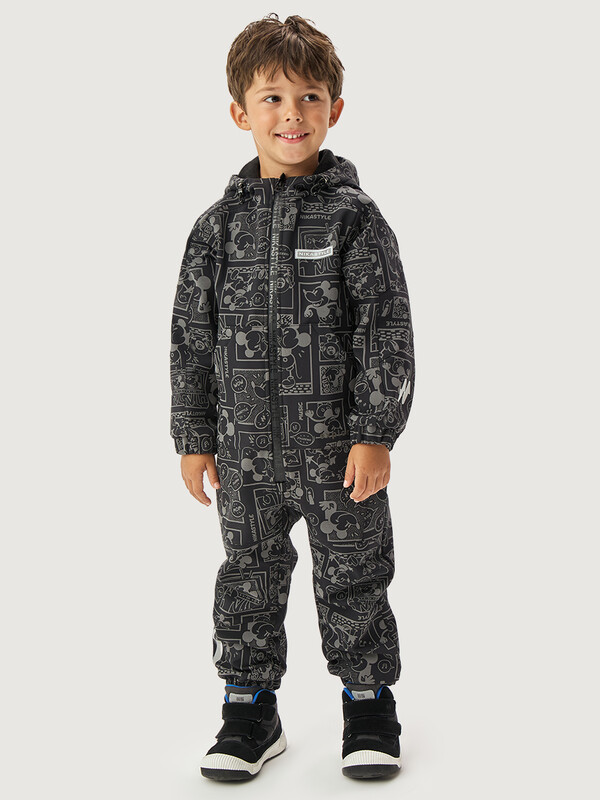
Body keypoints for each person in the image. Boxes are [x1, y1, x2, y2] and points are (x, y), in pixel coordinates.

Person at [169, 13, 415, 781]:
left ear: (334, 109)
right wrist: (193, 437)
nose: (292, 114)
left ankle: (368, 704)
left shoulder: (355, 219)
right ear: (239, 112)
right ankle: (249, 709)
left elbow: (384, 328)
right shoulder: (216, 230)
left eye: (309, 97)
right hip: (244, 454)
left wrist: (375, 432)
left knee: (354, 574)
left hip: (339, 454)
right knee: (247, 574)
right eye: (272, 98)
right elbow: (190, 337)